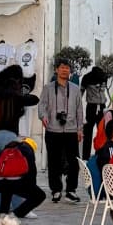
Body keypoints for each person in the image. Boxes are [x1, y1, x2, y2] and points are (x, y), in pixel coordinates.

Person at [0, 126, 46, 225]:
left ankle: (2, 217)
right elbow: (31, 174)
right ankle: (13, 216)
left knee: (7, 188)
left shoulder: (10, 147)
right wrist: (31, 189)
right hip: (17, 182)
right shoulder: (28, 151)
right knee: (40, 195)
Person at [37, 60, 85, 203]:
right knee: (54, 161)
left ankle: (71, 190)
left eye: (67, 68)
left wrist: (80, 128)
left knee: (73, 161)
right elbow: (42, 105)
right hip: (53, 129)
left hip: (71, 130)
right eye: (62, 68)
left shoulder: (76, 89)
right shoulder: (48, 88)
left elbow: (79, 110)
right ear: (56, 70)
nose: (65, 70)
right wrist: (43, 117)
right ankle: (56, 190)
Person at [80, 65, 108, 161]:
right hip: (91, 107)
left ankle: (100, 155)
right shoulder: (87, 77)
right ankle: (85, 157)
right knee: (87, 132)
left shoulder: (104, 76)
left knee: (102, 132)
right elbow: (81, 91)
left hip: (102, 106)